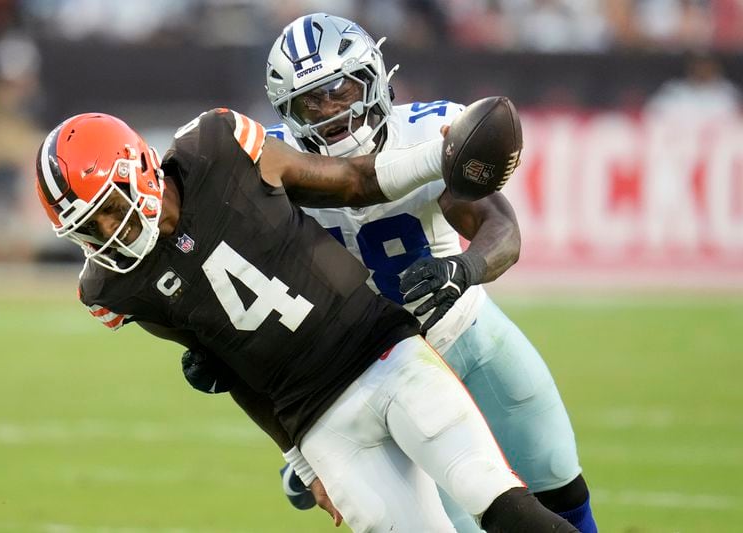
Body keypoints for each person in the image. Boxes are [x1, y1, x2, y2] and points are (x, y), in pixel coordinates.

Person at [35, 109, 578, 532]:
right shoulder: (112, 286)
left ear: (141, 167)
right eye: (88, 226)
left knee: (496, 500)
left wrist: (437, 158)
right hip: (318, 424)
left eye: (108, 207)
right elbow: (230, 373)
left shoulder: (218, 147)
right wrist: (302, 461)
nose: (106, 230)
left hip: (386, 353)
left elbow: (350, 180)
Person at [258, 12, 598, 533]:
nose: (329, 111)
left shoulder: (421, 132)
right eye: (312, 100)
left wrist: (464, 267)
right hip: (381, 370)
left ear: (372, 78)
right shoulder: (273, 165)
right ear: (289, 110)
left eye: (340, 90)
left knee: (560, 485)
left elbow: (500, 227)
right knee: (468, 521)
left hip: (467, 333)